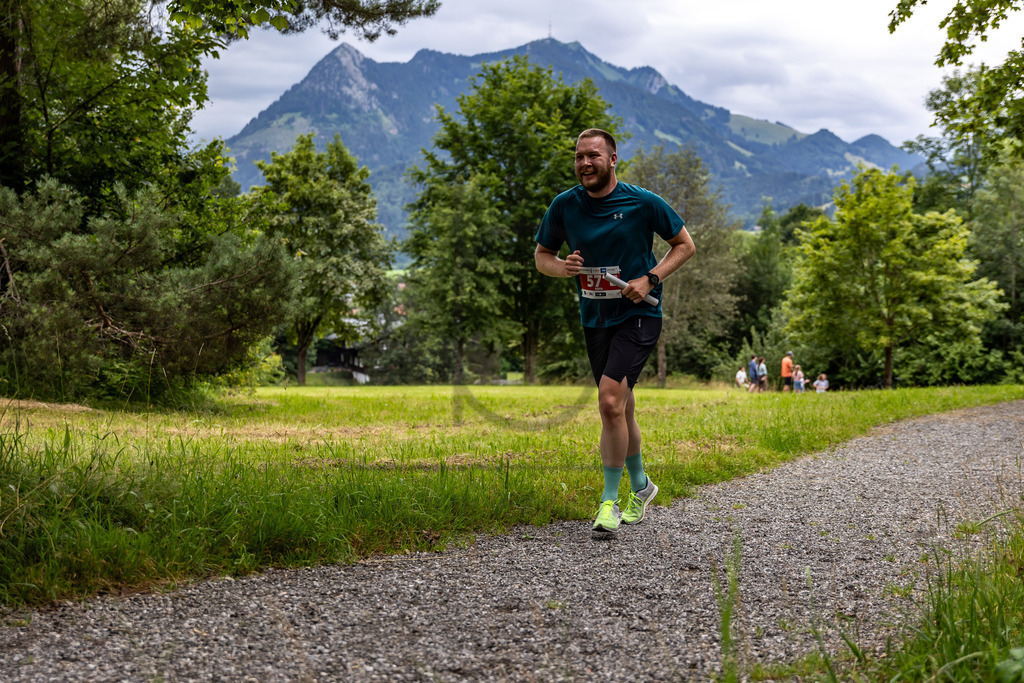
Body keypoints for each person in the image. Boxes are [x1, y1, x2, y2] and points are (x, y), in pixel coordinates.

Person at [534, 128, 695, 539]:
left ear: (613, 159)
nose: (585, 163)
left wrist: (650, 278)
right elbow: (542, 257)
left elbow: (684, 245)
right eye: (578, 157)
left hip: (639, 314)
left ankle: (610, 502)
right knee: (620, 408)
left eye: (593, 156)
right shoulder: (564, 206)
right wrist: (562, 267)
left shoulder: (642, 202)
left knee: (608, 401)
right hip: (595, 320)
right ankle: (642, 487)